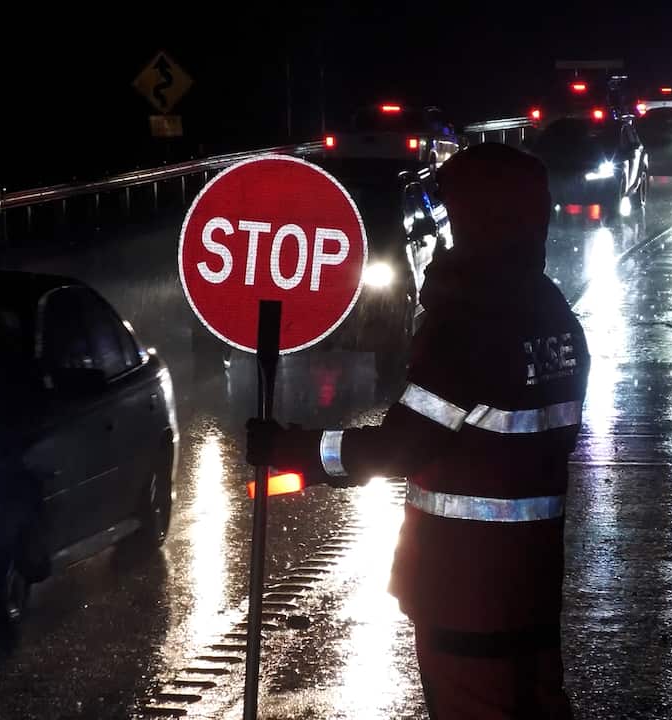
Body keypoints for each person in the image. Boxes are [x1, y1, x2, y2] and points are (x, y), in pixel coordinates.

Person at [247, 142, 590, 719]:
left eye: (457, 214)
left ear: (481, 219)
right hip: (531, 583)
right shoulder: (553, 315)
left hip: (463, 587)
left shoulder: (471, 325)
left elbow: (399, 448)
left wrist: (294, 449)